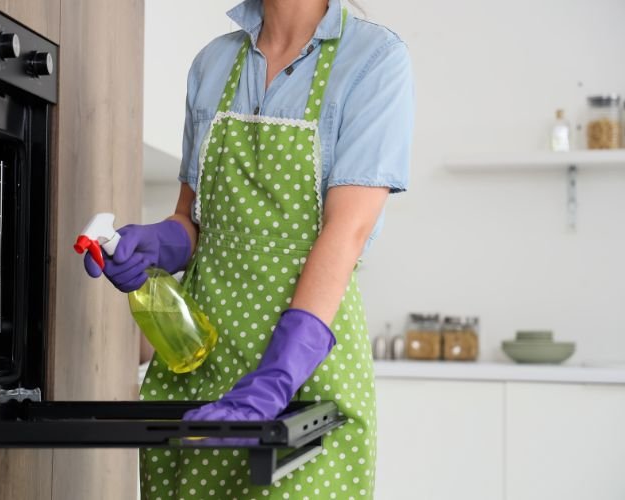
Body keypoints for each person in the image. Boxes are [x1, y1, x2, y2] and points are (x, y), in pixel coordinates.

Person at [84, 0, 413, 497]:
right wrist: (153, 245)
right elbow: (193, 222)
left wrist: (275, 379)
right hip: (200, 373)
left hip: (304, 386)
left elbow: (346, 234)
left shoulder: (373, 58)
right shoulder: (212, 64)